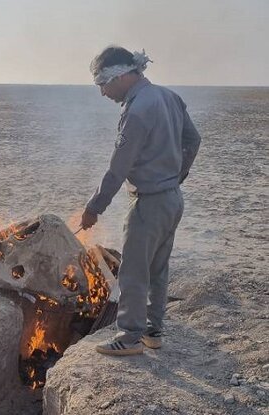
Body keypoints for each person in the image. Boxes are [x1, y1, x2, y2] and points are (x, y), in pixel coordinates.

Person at [80, 46, 201, 355]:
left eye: (102, 85)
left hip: (149, 204)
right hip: (172, 199)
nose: (103, 93)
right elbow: (193, 139)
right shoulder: (168, 97)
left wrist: (94, 207)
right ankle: (153, 331)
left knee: (134, 271)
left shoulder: (136, 111)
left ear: (119, 76)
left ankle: (129, 337)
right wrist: (178, 175)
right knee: (158, 269)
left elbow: (118, 167)